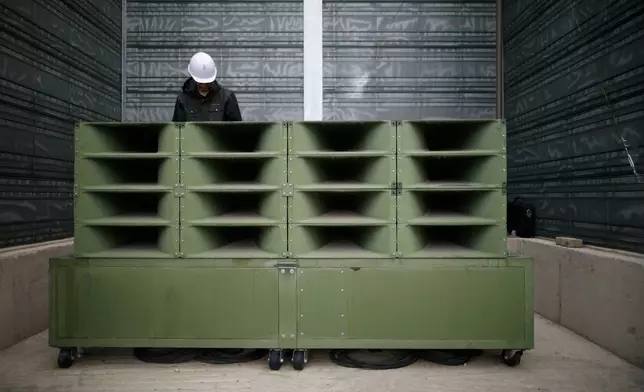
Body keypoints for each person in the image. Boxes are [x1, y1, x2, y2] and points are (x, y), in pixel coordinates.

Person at [172, 52, 242, 122]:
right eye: (200, 82)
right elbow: (177, 130)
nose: (204, 85)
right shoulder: (182, 99)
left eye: (207, 82)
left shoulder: (227, 97)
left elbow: (236, 130)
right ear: (193, 76)